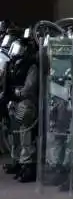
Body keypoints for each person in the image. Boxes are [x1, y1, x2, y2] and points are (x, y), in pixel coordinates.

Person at [5, 38, 38, 183]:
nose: (15, 52)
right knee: (14, 134)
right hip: (14, 102)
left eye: (19, 49)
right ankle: (18, 162)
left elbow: (29, 87)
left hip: (26, 102)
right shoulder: (13, 65)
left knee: (25, 133)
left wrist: (18, 93)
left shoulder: (31, 66)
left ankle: (28, 164)